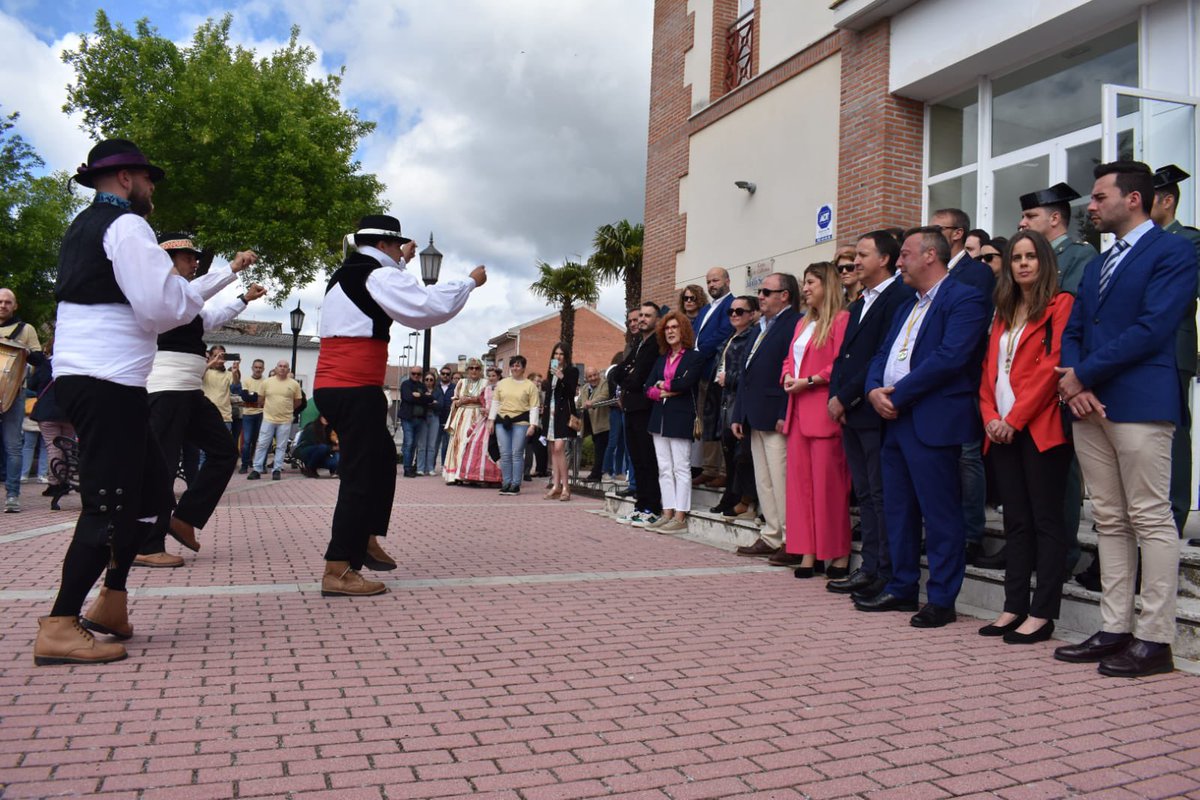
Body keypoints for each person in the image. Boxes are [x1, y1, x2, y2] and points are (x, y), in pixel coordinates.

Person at [34, 139, 204, 665]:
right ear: (127, 179)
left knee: (152, 492)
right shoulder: (128, 225)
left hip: (105, 379)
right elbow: (159, 306)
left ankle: (112, 601)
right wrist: (188, 295)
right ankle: (61, 623)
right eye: (149, 179)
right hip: (107, 380)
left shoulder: (84, 225)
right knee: (109, 505)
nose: (153, 189)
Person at [1054, 161, 1197, 677]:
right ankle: (1114, 627)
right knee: (1110, 518)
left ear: (1132, 200)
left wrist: (1083, 375)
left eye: (1097, 197)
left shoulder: (1175, 251)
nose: (1088, 207)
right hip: (1088, 403)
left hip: (1138, 400)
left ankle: (1154, 639)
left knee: (1150, 517)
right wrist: (1075, 378)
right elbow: (1074, 326)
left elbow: (1154, 327)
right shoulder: (1096, 264)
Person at [313, 213, 485, 596]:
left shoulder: (353, 272)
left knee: (379, 465)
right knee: (360, 477)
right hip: (353, 387)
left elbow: (394, 285)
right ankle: (339, 567)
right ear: (385, 245)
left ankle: (364, 537)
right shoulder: (374, 275)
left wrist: (402, 262)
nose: (401, 254)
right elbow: (425, 306)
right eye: (398, 247)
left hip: (348, 386)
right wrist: (469, 283)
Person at [859, 226, 989, 628]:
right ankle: (901, 587)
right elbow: (883, 354)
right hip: (895, 421)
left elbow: (951, 357)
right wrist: (872, 392)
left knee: (940, 513)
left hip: (933, 420)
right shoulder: (906, 305)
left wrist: (896, 394)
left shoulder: (964, 297)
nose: (899, 262)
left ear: (931, 255)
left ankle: (942, 599)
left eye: (905, 254)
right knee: (898, 510)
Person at [135, 233, 263, 567]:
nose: (194, 262)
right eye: (189, 257)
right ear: (168, 261)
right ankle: (146, 545)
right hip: (165, 390)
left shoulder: (184, 300)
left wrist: (243, 299)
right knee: (160, 467)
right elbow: (194, 294)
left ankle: (184, 518)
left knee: (223, 453)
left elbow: (206, 319)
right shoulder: (160, 294)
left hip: (189, 393)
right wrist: (232, 268)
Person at [977, 230, 1074, 643]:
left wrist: (1013, 419)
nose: (1022, 264)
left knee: (1046, 522)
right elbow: (988, 373)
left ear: (1044, 261)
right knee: (1015, 522)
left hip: (1039, 428)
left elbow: (1049, 370)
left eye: (1031, 256)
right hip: (1000, 430)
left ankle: (1042, 613)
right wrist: (990, 417)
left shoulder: (1060, 304)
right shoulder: (1003, 312)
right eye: (1016, 257)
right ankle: (1013, 606)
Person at [826, 231, 914, 599]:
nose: (855, 262)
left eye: (863, 255)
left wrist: (845, 398)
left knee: (882, 495)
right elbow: (845, 357)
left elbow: (881, 355)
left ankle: (886, 571)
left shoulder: (900, 297)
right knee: (864, 494)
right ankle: (871, 566)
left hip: (872, 411)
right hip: (851, 414)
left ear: (886, 259)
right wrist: (836, 396)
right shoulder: (860, 301)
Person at [930, 207, 995, 566]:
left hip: (964, 377)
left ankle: (972, 534)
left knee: (968, 457)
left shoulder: (977, 273)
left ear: (957, 234)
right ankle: (945, 531)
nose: (933, 233)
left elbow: (969, 330)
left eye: (939, 228)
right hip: (931, 381)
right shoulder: (929, 273)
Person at [782, 262, 851, 579]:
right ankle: (808, 553)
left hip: (824, 413)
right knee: (801, 489)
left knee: (829, 488)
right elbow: (789, 358)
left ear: (828, 284)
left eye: (811, 282)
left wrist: (808, 381)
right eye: (804, 282)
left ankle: (837, 554)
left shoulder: (841, 319)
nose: (805, 288)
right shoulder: (802, 323)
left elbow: (839, 366)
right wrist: (786, 374)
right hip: (797, 412)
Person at [731, 273, 802, 561]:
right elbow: (747, 373)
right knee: (764, 480)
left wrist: (785, 411)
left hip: (775, 414)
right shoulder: (762, 325)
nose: (760, 296)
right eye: (760, 291)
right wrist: (739, 412)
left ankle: (789, 538)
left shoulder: (794, 323)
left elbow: (791, 370)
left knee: (780, 478)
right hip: (753, 414)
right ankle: (772, 534)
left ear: (784, 295)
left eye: (766, 291)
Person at [1151, 164, 1200, 535]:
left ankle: (1176, 510)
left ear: (1167, 200)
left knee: (1175, 432)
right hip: (1145, 351)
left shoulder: (1189, 240)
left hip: (1174, 346)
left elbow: (1179, 294)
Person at [643, 312, 706, 533]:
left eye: (674, 327)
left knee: (681, 467)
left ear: (684, 331)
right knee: (664, 468)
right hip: (659, 419)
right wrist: (662, 392)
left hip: (680, 418)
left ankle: (680, 516)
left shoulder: (693, 357)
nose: (670, 331)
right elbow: (647, 387)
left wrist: (663, 385)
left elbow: (686, 382)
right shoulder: (661, 359)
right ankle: (667, 511)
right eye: (667, 328)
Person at [613, 302, 666, 527]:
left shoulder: (656, 344)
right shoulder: (638, 343)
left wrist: (628, 376)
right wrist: (627, 374)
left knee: (647, 460)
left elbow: (638, 379)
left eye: (647, 315)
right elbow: (616, 371)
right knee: (636, 459)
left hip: (645, 408)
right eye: (640, 315)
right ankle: (640, 506)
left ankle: (652, 507)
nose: (642, 319)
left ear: (657, 319)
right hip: (630, 408)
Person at [711, 296, 760, 519]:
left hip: (739, 404)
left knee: (742, 456)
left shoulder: (753, 336)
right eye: (731, 311)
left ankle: (744, 500)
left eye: (740, 311)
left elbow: (751, 374)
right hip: (724, 403)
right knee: (729, 454)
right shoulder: (731, 338)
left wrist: (728, 378)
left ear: (752, 314)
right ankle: (731, 496)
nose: (734, 315)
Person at [0, 287, 44, 512]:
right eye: (0, 301)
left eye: (8, 302)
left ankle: (13, 496)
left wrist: (26, 351)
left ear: (15, 306)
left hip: (14, 393)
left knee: (13, 446)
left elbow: (40, 360)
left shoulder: (26, 329)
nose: (3, 305)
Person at [692, 268, 734, 488]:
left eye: (715, 280)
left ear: (727, 281)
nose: (711, 285)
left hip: (717, 370)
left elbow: (724, 332)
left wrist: (698, 353)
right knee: (706, 420)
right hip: (701, 372)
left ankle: (724, 470)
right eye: (708, 282)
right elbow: (694, 334)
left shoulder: (732, 305)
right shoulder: (705, 309)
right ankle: (708, 468)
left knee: (719, 420)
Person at [26, 343, 76, 505]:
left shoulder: (46, 364)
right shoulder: (74, 365)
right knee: (67, 447)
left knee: (52, 447)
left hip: (47, 412)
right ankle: (66, 479)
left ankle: (55, 483)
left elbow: (32, 384)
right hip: (69, 412)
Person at [489, 355, 540, 495]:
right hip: (502, 421)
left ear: (523, 368)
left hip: (521, 422)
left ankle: (516, 484)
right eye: (512, 365)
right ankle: (506, 483)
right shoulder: (502, 383)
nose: (515, 368)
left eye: (518, 365)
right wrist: (491, 420)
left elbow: (534, 406)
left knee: (517, 453)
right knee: (505, 454)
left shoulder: (530, 386)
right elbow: (495, 402)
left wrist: (533, 425)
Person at [248, 360, 302, 481]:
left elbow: (298, 401)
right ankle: (257, 469)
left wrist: (288, 409)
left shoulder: (294, 384)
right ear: (276, 368)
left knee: (281, 446)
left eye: (285, 367)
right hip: (268, 418)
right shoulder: (266, 382)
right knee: (262, 444)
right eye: (280, 366)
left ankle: (277, 470)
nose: (282, 368)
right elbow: (261, 399)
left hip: (285, 420)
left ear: (288, 370)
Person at [541, 342, 579, 501]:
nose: (558, 357)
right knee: (553, 450)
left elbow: (571, 393)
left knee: (559, 448)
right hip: (550, 414)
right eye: (556, 354)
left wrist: (562, 377)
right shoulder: (551, 372)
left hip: (564, 414)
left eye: (561, 354)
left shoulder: (572, 371)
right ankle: (556, 485)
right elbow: (549, 393)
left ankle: (566, 486)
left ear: (566, 356)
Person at [443, 359, 487, 483]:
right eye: (471, 368)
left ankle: (472, 475)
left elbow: (486, 398)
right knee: (459, 443)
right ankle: (455, 475)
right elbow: (455, 400)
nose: (474, 370)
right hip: (462, 416)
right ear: (467, 370)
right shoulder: (461, 382)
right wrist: (460, 402)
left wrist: (472, 400)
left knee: (474, 444)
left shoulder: (485, 382)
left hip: (478, 416)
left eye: (477, 368)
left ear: (480, 370)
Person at [578, 366, 612, 482]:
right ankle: (596, 473)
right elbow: (579, 402)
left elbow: (604, 396)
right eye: (590, 376)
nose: (593, 378)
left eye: (595, 375)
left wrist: (591, 402)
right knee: (598, 448)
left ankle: (596, 474)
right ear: (586, 378)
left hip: (602, 424)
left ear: (598, 374)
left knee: (600, 449)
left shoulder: (604, 384)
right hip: (589, 424)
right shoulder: (584, 388)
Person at [397, 366, 429, 478]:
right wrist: (423, 397)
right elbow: (407, 398)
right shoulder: (405, 384)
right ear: (410, 373)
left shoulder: (422, 386)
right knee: (408, 443)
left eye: (418, 374)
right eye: (413, 373)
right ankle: (407, 469)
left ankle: (410, 467)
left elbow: (430, 399)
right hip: (408, 419)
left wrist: (419, 395)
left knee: (414, 444)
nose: (416, 375)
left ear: (421, 375)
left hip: (419, 419)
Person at [237, 359, 267, 474]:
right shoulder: (246, 381)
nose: (258, 369)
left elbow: (265, 398)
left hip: (262, 414)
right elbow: (245, 397)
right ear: (252, 368)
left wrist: (253, 396)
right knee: (247, 441)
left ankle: (261, 465)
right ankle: (244, 465)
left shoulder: (266, 381)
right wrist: (257, 397)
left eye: (260, 367)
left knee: (261, 441)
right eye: (256, 367)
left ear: (263, 369)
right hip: (248, 414)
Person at [602, 351, 627, 480]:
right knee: (613, 441)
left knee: (623, 442)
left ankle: (618, 471)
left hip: (623, 409)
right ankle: (606, 470)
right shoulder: (613, 372)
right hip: (616, 410)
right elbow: (613, 391)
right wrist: (618, 401)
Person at [416, 370, 442, 475]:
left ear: (434, 381)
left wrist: (428, 401)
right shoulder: (420, 389)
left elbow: (440, 405)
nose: (429, 381)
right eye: (427, 379)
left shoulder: (438, 391)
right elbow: (419, 402)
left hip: (435, 417)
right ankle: (420, 468)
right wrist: (431, 401)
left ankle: (430, 468)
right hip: (423, 417)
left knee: (432, 445)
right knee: (422, 445)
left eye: (431, 379)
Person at [433, 366, 457, 471]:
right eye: (443, 373)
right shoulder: (435, 387)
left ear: (450, 376)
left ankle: (444, 467)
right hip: (436, 418)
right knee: (434, 445)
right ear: (440, 374)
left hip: (449, 419)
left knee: (447, 446)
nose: (445, 376)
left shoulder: (455, 387)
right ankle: (431, 467)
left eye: (447, 374)